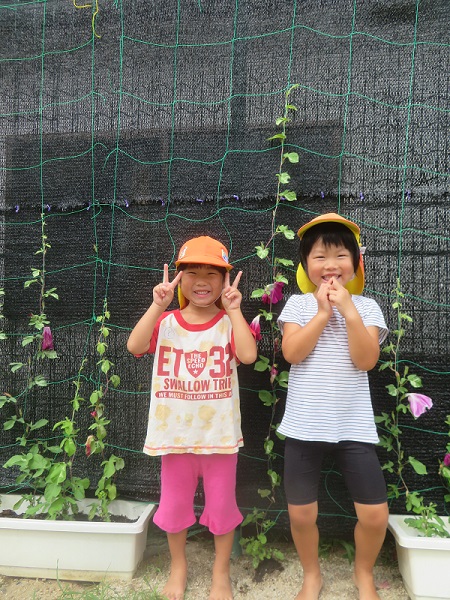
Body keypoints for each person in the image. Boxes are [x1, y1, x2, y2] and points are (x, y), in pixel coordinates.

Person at [127, 235, 257, 600]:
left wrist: (235, 310)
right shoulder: (167, 322)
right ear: (179, 278)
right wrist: (157, 306)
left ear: (225, 279)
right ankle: (178, 568)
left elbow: (248, 356)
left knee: (222, 509)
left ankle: (221, 573)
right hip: (175, 438)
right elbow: (135, 346)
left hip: (219, 439)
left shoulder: (228, 323)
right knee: (174, 508)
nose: (202, 281)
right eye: (192, 272)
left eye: (212, 273)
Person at [277, 213, 389, 600]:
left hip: (353, 426)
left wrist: (348, 311)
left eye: (341, 255)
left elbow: (366, 360)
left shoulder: (367, 307)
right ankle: (312, 576)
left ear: (356, 262)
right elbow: (292, 353)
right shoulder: (297, 305)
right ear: (305, 264)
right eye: (320, 256)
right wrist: (324, 313)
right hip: (303, 427)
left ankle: (363, 573)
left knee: (375, 515)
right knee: (301, 514)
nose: (330, 265)